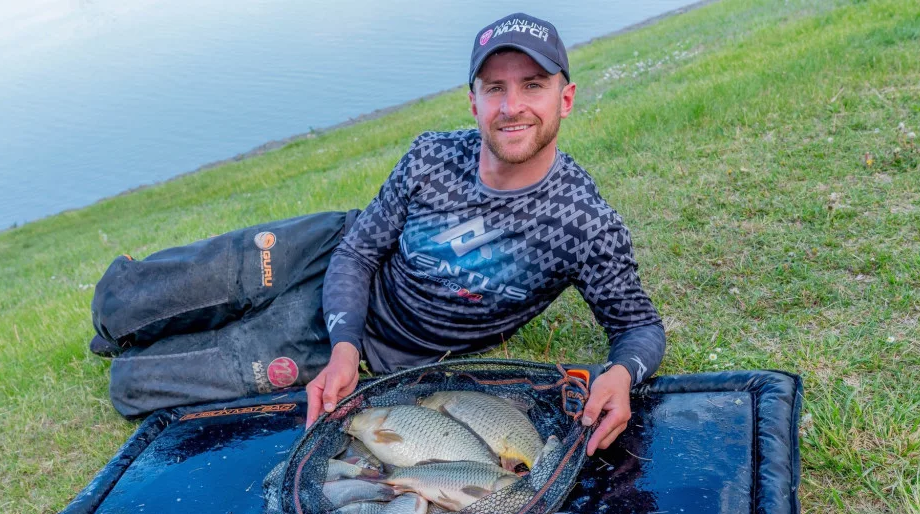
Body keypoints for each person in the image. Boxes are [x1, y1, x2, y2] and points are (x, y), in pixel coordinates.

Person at [91, 12, 664, 456]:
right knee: (152, 294)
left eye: (532, 85)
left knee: (141, 383)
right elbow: (360, 250)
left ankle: (138, 354)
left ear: (565, 98)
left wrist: (620, 375)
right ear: (473, 103)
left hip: (380, 342)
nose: (512, 107)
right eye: (495, 88)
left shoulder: (584, 223)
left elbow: (638, 327)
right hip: (327, 253)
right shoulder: (430, 156)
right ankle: (113, 324)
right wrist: (344, 343)